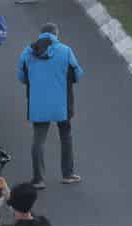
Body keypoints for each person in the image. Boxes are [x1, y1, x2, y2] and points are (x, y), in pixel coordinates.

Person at [15, 22, 83, 188]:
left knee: (38, 140)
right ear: (56, 34)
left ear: (41, 34)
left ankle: (38, 179)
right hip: (62, 103)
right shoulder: (66, 51)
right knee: (66, 136)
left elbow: (22, 77)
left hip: (38, 103)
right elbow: (77, 74)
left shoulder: (28, 52)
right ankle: (67, 174)